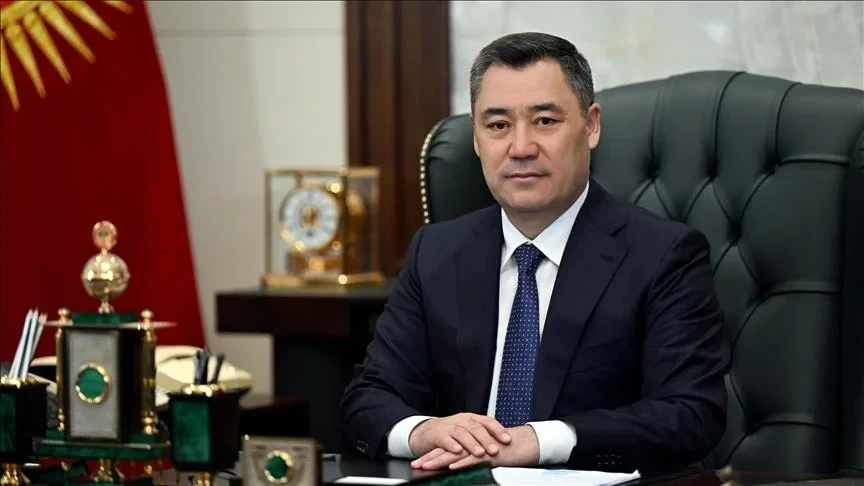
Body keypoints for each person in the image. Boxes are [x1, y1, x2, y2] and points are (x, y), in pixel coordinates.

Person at [340, 32, 730, 474]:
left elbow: (689, 415)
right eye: (498, 125)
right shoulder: (437, 252)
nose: (521, 148)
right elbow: (366, 400)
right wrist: (423, 432)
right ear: (476, 139)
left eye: (544, 121)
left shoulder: (663, 255)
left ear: (591, 126)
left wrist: (538, 441)